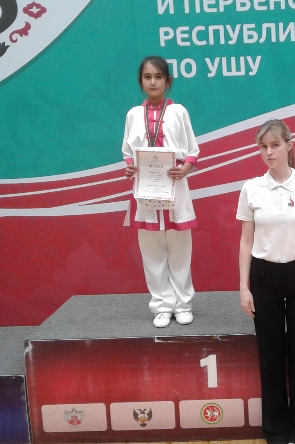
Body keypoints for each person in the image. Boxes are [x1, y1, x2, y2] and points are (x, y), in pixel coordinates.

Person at [237, 119, 295, 444]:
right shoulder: (251, 189)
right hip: (264, 278)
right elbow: (246, 241)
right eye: (263, 147)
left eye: (275, 145)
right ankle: (276, 435)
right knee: (271, 357)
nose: (269, 152)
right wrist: (244, 287)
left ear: (289, 145)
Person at [121, 56, 200, 328]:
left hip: (176, 187)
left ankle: (183, 304)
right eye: (147, 77)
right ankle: (162, 306)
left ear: (168, 81)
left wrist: (185, 169)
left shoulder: (179, 112)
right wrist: (131, 168)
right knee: (152, 253)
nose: (153, 82)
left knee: (180, 251)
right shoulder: (133, 115)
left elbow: (192, 149)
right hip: (146, 190)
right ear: (140, 82)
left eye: (158, 77)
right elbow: (127, 151)